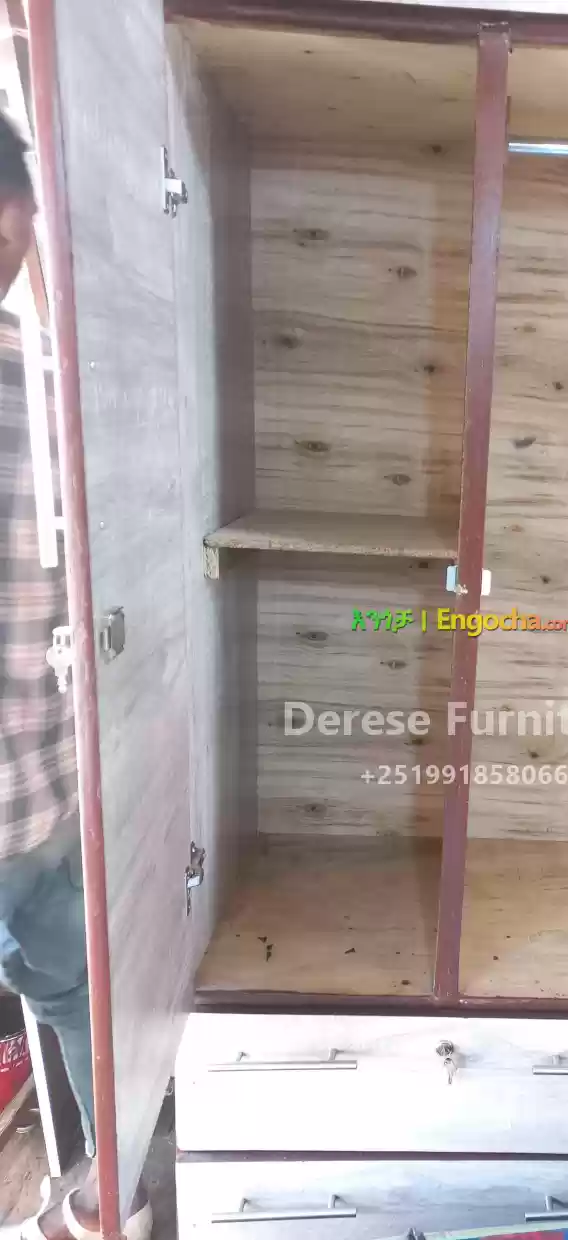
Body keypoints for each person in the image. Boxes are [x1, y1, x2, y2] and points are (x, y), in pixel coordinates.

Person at [0, 113, 151, 1240]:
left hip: (41, 799)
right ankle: (112, 1189)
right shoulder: (48, 388)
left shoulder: (49, 386)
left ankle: (114, 1186)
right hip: (39, 789)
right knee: (77, 994)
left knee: (77, 992)